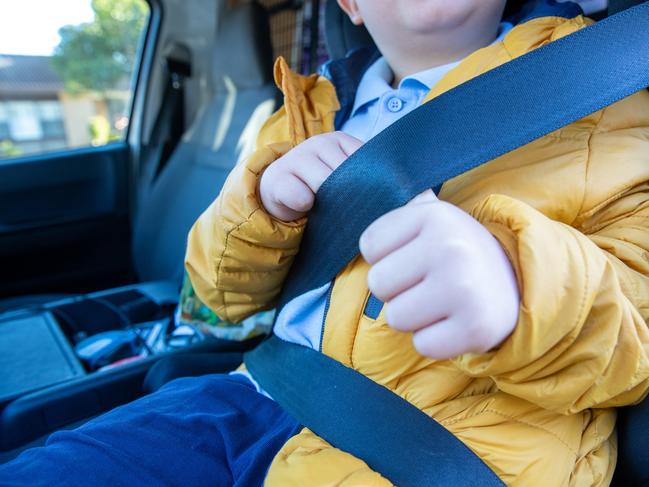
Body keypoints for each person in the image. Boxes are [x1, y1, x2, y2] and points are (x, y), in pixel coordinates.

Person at [2, 0, 648, 485]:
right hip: (250, 392)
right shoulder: (303, 111)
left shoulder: (605, 94)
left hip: (452, 442)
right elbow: (216, 296)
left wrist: (520, 288)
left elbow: (636, 318)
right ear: (349, 3)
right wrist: (261, 204)